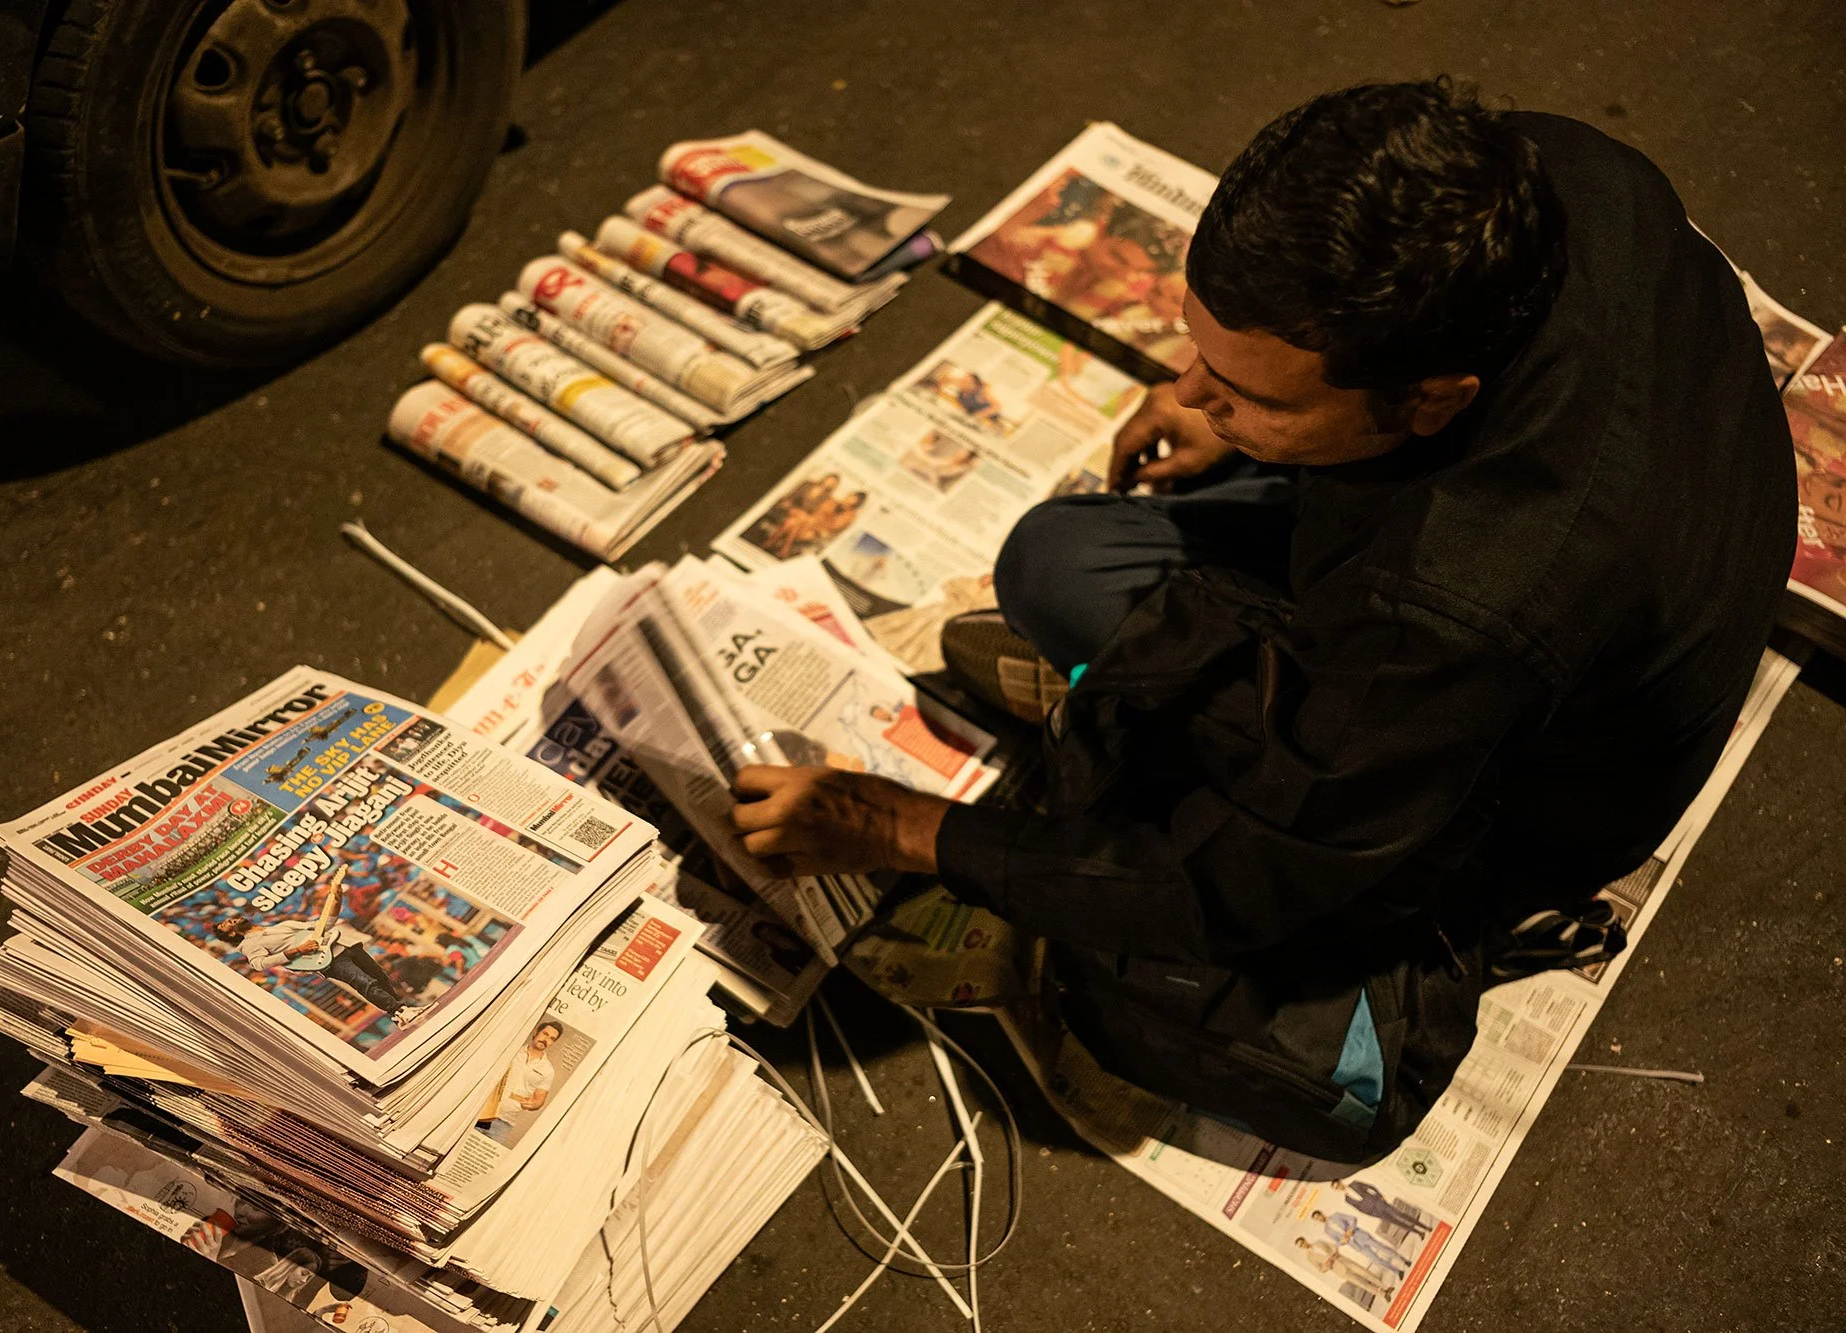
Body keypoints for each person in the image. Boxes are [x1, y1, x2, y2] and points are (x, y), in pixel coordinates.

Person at [723, 80, 1793, 1161]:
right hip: (1544, 570)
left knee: (1150, 970)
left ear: (1429, 401)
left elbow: (1215, 892)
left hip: (1518, 791)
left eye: (1254, 393)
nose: (1187, 397)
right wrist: (1250, 416)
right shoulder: (1551, 171)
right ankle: (1160, 707)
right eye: (1200, 355)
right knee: (1056, 562)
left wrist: (904, 830)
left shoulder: (1447, 614)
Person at [213, 882, 425, 1027]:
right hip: (325, 960)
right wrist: (297, 951)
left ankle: (401, 1012)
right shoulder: (250, 945)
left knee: (379, 977)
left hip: (342, 945)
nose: (230, 920)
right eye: (225, 925)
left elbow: (323, 924)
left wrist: (337, 899)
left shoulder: (281, 925)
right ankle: (399, 1010)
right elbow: (259, 965)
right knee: (364, 982)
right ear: (231, 934)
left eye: (228, 919)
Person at [476, 1020, 562, 1126]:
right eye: (545, 1034)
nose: (546, 1040)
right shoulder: (511, 1050)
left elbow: (539, 1099)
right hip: (480, 1111)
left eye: (552, 1039)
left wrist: (534, 1104)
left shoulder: (548, 1070)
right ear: (536, 1032)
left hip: (504, 1123)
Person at [1311, 1210, 1410, 1281]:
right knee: (1376, 1260)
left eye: (1318, 1216)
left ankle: (1403, 1260)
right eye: (1317, 1219)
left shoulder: (1336, 1215)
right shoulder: (1327, 1231)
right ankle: (1397, 1271)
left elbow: (1353, 1219)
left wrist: (1350, 1230)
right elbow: (1337, 1242)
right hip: (1356, 1245)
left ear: (1322, 1213)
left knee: (1383, 1248)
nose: (1319, 1219)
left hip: (1361, 1236)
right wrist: (1343, 1241)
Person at [1331, 1178, 1431, 1240]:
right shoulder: (1347, 1200)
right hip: (1375, 1213)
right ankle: (1419, 1233)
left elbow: (1371, 1187)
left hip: (1380, 1204)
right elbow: (1359, 1209)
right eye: (1336, 1188)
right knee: (1396, 1222)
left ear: (1340, 1181)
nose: (1339, 1187)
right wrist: (1371, 1214)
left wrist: (1380, 1196)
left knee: (1400, 1215)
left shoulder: (1355, 1184)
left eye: (1338, 1185)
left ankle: (1424, 1227)